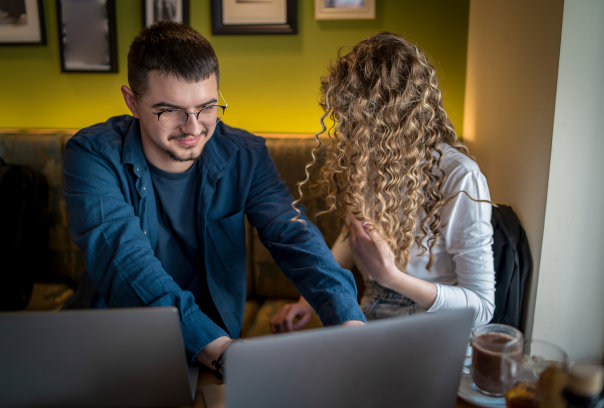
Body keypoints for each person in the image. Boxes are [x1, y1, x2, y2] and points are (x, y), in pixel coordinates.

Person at [63, 21, 365, 375]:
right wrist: (222, 350)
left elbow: (292, 234)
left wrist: (349, 322)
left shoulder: (244, 154)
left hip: (215, 348)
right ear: (132, 101)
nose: (193, 127)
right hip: (116, 344)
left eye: (207, 107)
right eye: (169, 111)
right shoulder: (92, 156)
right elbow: (123, 258)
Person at [270, 32, 495, 333]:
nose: (348, 131)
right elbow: (355, 238)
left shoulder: (460, 177)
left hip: (437, 325)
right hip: (371, 311)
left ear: (392, 119)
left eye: (355, 120)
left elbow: (482, 308)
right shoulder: (365, 161)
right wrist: (306, 301)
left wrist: (391, 277)